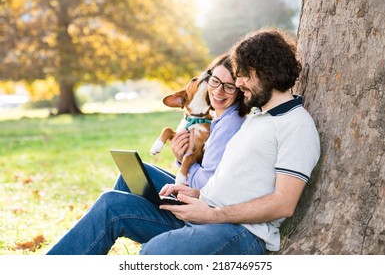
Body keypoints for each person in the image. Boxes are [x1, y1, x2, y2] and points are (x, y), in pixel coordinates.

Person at [139, 27, 321, 254]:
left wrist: (212, 214)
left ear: (267, 72)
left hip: (242, 233)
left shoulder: (296, 125)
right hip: (207, 212)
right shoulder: (257, 117)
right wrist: (195, 194)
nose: (240, 83)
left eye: (245, 75)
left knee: (153, 252)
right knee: (112, 206)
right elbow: (235, 181)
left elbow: (284, 203)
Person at [46, 53, 249, 255]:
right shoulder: (219, 117)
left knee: (111, 204)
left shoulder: (228, 126)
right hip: (201, 203)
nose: (218, 91)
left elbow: (201, 187)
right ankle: (115, 228)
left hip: (201, 217)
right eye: (214, 81)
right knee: (132, 175)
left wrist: (182, 160)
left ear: (239, 89)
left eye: (229, 86)